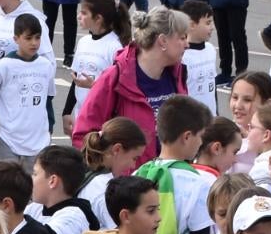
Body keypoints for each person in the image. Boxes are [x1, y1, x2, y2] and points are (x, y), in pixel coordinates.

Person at [72, 9, 190, 159]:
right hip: (128, 180)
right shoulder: (115, 78)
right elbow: (84, 135)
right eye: (182, 37)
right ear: (163, 41)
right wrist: (111, 172)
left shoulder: (177, 74)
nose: (187, 44)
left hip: (169, 176)